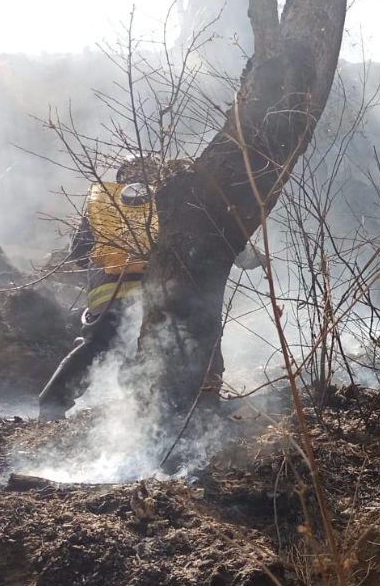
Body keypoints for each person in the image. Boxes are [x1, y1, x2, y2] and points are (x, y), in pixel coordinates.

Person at [38, 155, 261, 420]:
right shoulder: (172, 200)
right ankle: (195, 407)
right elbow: (219, 243)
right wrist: (258, 259)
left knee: (97, 346)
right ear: (159, 177)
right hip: (157, 293)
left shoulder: (105, 204)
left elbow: (79, 252)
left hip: (105, 297)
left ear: (122, 178)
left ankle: (52, 403)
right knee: (187, 340)